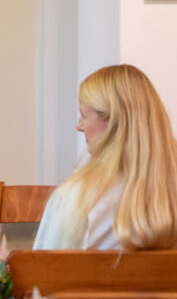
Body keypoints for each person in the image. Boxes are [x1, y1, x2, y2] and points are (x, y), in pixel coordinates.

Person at [34, 64, 177, 251]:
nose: (79, 126)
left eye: (83, 115)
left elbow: (41, 271)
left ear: (112, 121)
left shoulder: (77, 196)